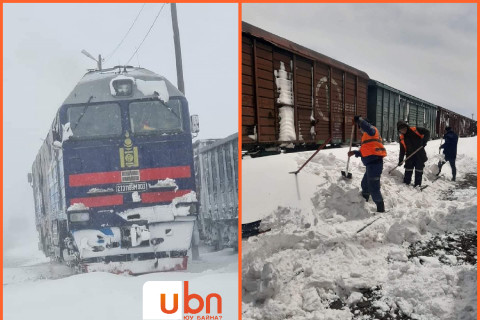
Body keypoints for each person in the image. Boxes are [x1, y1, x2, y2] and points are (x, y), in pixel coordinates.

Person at [348, 116, 387, 212]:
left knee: (373, 187)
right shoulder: (367, 136)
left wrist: (358, 119)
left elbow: (368, 127)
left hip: (375, 163)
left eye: (360, 127)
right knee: (365, 184)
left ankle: (380, 208)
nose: (360, 129)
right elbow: (365, 152)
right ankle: (364, 200)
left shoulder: (372, 130)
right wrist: (354, 152)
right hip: (371, 165)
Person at [396, 120, 430, 187]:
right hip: (409, 156)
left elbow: (427, 132)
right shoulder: (402, 138)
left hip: (419, 153)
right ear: (399, 131)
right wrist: (401, 160)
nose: (403, 130)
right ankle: (406, 184)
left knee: (419, 170)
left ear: (407, 127)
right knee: (408, 169)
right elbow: (402, 150)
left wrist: (424, 141)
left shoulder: (415, 130)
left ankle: (417, 185)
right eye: (401, 130)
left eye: (404, 128)